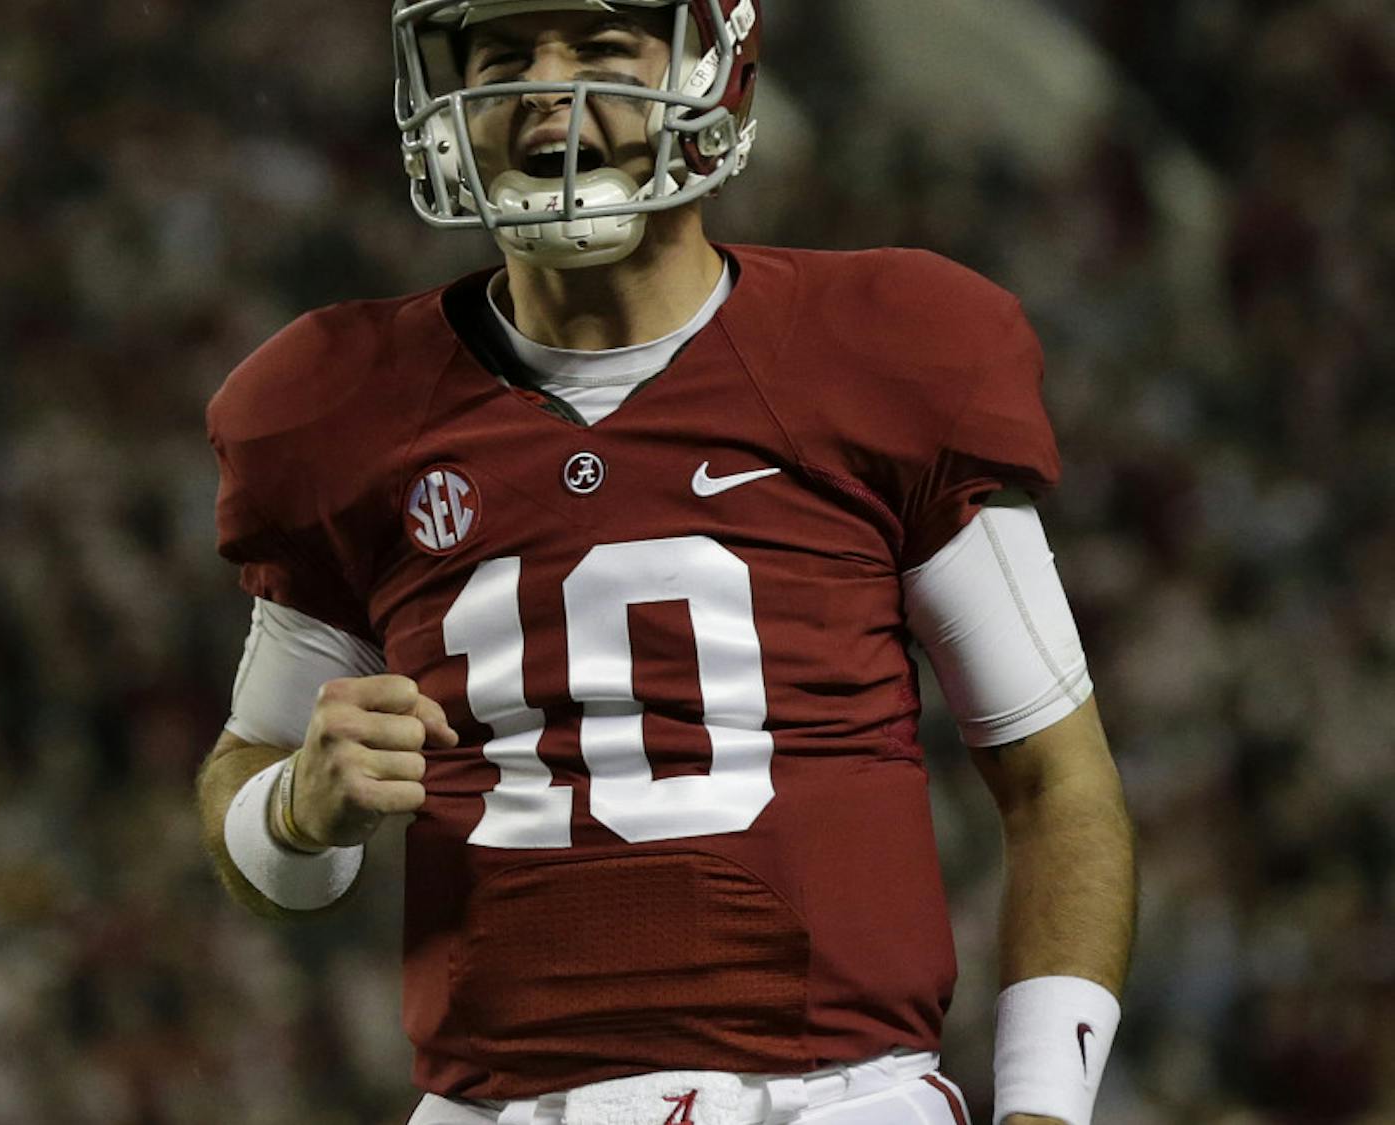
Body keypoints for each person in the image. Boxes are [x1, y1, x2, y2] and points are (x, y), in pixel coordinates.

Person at [195, 3, 1137, 1124]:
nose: (547, 87)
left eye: (598, 47)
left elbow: (1058, 785)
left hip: (833, 1101)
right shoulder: (338, 406)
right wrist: (298, 811)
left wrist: (1044, 1111)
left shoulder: (885, 353)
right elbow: (250, 807)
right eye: (503, 55)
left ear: (711, 66)